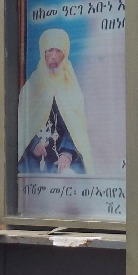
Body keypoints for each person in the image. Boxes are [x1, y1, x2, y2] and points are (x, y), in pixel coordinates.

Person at [18, 27, 95, 175]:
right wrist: (34, 143)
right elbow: (23, 123)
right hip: (33, 156)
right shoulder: (32, 86)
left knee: (71, 177)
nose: (53, 56)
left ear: (65, 54)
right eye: (49, 51)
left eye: (58, 51)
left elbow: (76, 126)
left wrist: (67, 153)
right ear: (43, 53)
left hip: (64, 154)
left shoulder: (71, 87)